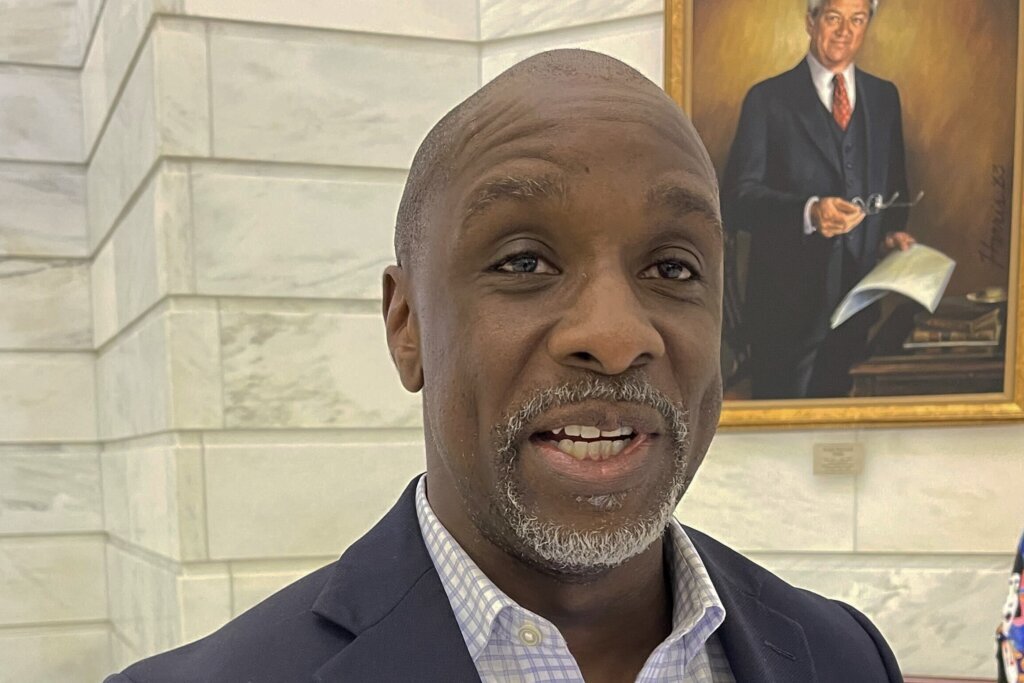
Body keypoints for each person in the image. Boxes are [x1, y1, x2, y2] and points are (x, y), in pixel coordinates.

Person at [105, 49, 902, 682]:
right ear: (406, 325)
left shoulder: (843, 657)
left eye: (673, 267)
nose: (615, 336)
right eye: (524, 262)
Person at [722, 0, 915, 399]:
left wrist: (888, 236)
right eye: (833, 18)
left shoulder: (884, 98)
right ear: (810, 22)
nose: (845, 31)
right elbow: (736, 200)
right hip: (784, 315)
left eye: (857, 20)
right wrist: (809, 212)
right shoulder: (767, 99)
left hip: (861, 312)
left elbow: (894, 188)